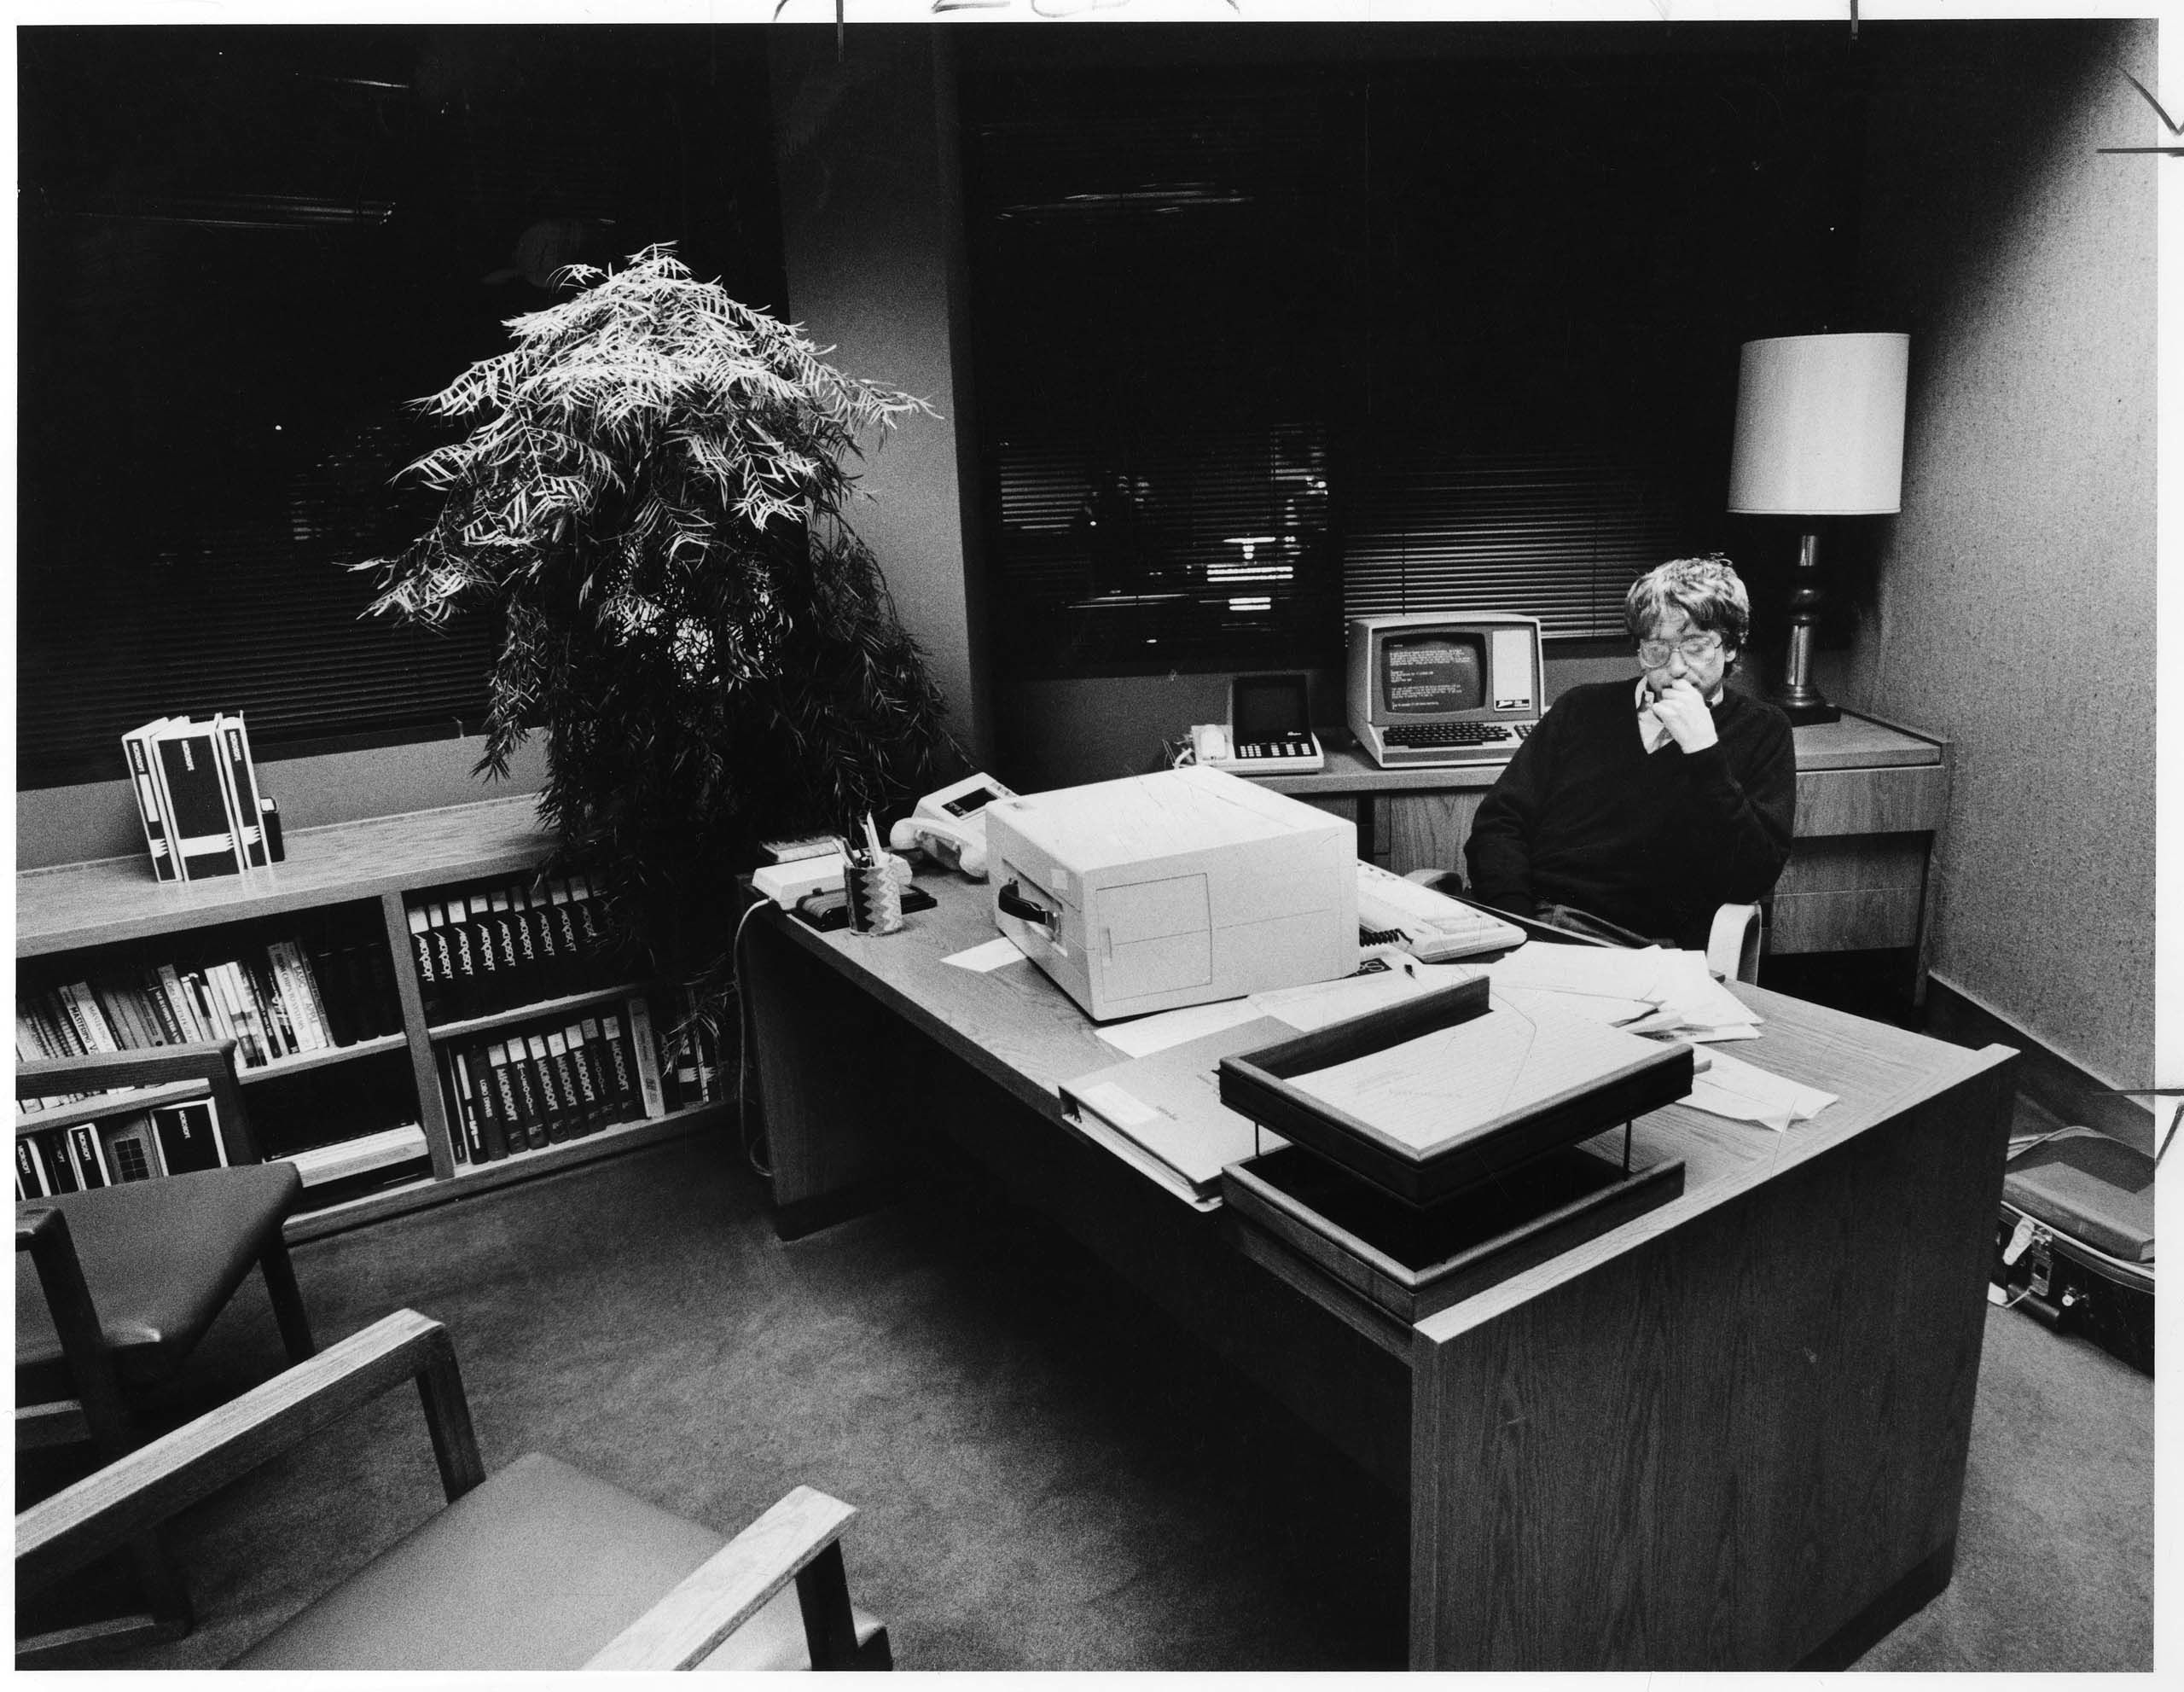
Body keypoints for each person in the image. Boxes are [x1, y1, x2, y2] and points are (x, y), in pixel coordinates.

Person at [1462, 555, 1795, 951]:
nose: (1675, 668)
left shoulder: (1763, 730)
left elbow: (1751, 877)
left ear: (1731, 648)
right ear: (1638, 650)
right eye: (1656, 648)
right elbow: (1500, 823)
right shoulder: (1581, 708)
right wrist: (1515, 925)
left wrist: (1704, 752)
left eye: (1696, 647)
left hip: (1653, 947)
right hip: (1540, 924)